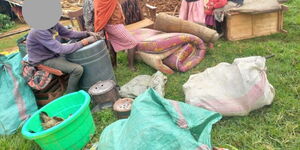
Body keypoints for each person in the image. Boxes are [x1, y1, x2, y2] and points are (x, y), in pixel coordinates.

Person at [26, 23, 99, 93]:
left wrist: (86, 33)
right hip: (43, 60)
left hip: (53, 53)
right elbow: (61, 49)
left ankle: (84, 84)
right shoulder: (38, 30)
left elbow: (69, 33)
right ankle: (71, 94)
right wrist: (84, 42)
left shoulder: (53, 24)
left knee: (79, 59)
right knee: (77, 69)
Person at [94, 0, 138, 71]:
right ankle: (131, 67)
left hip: (109, 24)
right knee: (132, 42)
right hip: (114, 24)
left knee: (112, 43)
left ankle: (114, 65)